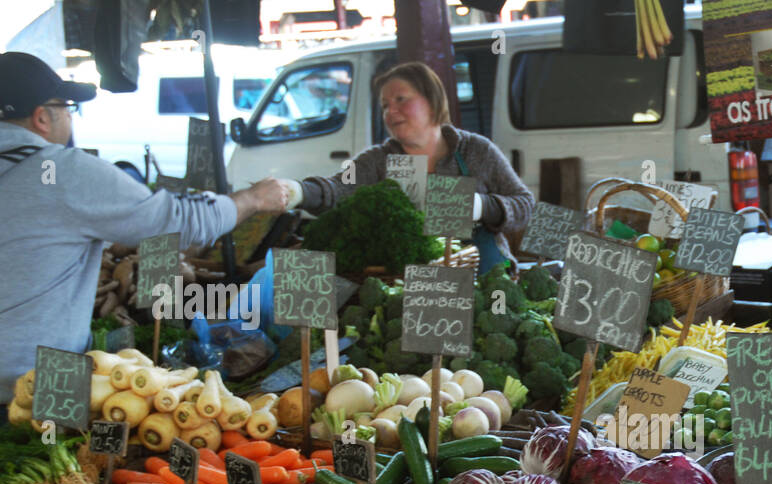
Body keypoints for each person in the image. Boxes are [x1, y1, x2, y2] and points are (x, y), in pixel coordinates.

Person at [0, 51, 289, 409]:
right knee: (54, 461)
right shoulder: (60, 171)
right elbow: (175, 221)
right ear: (43, 117)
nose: (71, 119)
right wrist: (251, 199)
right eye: (69, 107)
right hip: (42, 382)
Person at [283, 61, 534, 275]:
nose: (391, 111)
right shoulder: (377, 160)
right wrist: (298, 192)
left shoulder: (476, 150)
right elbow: (338, 188)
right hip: (406, 286)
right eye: (384, 105)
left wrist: (481, 206)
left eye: (401, 99)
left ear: (433, 102)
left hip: (484, 277)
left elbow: (524, 205)